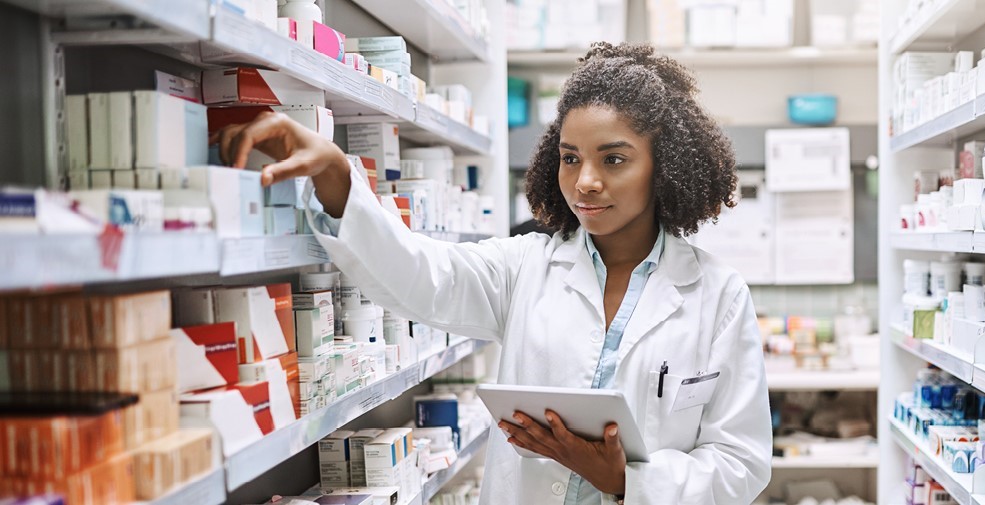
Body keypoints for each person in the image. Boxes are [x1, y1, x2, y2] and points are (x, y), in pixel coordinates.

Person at [212, 42, 771, 505]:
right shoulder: (526, 265)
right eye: (571, 157)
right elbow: (421, 276)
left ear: (664, 165)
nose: (585, 182)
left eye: (614, 159)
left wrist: (625, 479)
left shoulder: (718, 296)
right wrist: (338, 175)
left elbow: (741, 464)